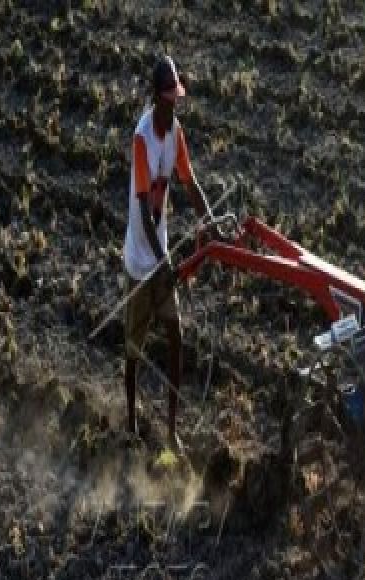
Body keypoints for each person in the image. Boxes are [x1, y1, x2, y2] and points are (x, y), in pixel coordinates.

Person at [122, 55, 210, 452]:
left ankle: (172, 431)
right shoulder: (142, 138)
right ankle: (131, 421)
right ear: (156, 98)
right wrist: (164, 262)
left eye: (178, 97)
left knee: (175, 336)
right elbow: (143, 208)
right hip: (142, 260)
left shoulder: (176, 133)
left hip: (161, 257)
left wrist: (209, 222)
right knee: (134, 348)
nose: (175, 104)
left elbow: (189, 183)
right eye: (170, 98)